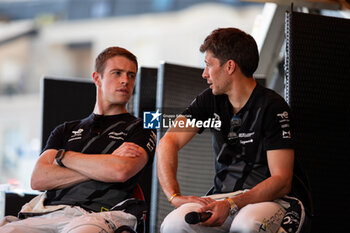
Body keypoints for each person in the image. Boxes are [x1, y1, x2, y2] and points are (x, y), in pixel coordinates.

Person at [0, 46, 156, 233]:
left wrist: (63, 157)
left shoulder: (142, 128)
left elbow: (119, 171)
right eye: (117, 73)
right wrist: (104, 164)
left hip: (100, 215)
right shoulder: (65, 130)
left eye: (131, 75)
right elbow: (39, 179)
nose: (125, 80)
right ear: (97, 78)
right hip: (50, 213)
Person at [157, 28, 295, 233]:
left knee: (245, 225)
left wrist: (232, 204)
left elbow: (282, 181)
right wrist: (174, 196)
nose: (204, 74)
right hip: (220, 199)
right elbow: (168, 142)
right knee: (173, 224)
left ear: (229, 66)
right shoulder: (209, 99)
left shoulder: (273, 106)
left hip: (267, 201)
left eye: (208, 65)